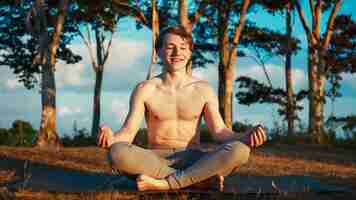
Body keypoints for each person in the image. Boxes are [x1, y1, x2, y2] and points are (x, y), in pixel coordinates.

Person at [97, 26, 267, 191]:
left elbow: (220, 132)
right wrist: (111, 140)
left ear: (190, 52)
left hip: (194, 159)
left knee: (240, 151)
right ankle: (197, 182)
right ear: (159, 52)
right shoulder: (145, 89)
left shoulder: (203, 89)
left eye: (183, 48)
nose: (177, 53)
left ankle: (164, 184)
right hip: (155, 159)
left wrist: (245, 137)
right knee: (117, 152)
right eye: (170, 47)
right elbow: (128, 131)